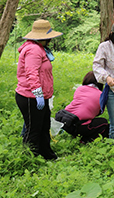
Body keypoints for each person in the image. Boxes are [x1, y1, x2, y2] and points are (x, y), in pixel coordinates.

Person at [15, 19, 63, 160]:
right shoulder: (34, 50)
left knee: (44, 127)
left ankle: (48, 156)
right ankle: (29, 159)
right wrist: (38, 94)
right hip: (30, 97)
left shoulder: (39, 49)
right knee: (33, 130)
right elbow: (31, 73)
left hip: (40, 96)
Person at [60, 71, 109, 144]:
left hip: (66, 120)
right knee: (103, 123)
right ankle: (86, 139)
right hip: (80, 124)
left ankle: (76, 136)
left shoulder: (79, 89)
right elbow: (99, 112)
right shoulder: (100, 95)